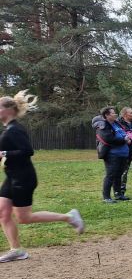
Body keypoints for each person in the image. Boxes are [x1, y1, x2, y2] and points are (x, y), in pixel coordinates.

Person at [0, 90, 84, 263]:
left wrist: (4, 152)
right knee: (3, 213)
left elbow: (27, 151)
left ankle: (69, 217)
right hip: (12, 176)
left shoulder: (15, 129)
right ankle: (16, 250)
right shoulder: (8, 128)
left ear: (8, 109)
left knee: (24, 218)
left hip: (23, 178)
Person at [94, 107, 131, 203]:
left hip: (122, 154)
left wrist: (128, 137)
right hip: (112, 155)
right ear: (106, 115)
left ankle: (118, 194)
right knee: (110, 175)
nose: (115, 115)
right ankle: (106, 197)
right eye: (113, 113)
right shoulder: (103, 125)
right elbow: (108, 139)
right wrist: (124, 140)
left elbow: (123, 133)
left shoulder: (116, 123)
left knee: (118, 175)